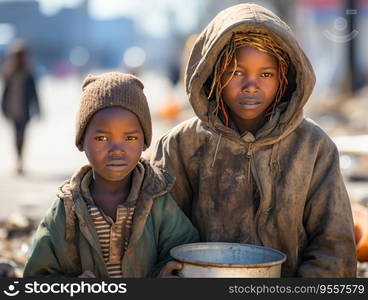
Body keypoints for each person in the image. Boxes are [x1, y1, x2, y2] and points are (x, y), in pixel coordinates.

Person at [151, 3, 357, 277]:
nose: (251, 84)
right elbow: (156, 236)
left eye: (266, 74)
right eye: (236, 72)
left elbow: (334, 249)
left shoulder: (313, 147)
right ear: (213, 74)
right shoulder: (181, 145)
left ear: (285, 77)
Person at [23, 72, 199, 278]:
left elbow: (185, 253)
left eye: (130, 137)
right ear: (81, 141)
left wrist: (166, 274)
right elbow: (36, 276)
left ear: (144, 142)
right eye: (102, 137)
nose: (117, 149)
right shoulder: (67, 208)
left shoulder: (157, 201)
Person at [1, 40, 40, 175]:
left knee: (22, 136)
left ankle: (21, 160)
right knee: (15, 136)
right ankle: (18, 159)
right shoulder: (9, 73)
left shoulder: (29, 73)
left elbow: (35, 93)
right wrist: (3, 108)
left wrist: (38, 109)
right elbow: (5, 93)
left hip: (24, 111)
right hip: (12, 110)